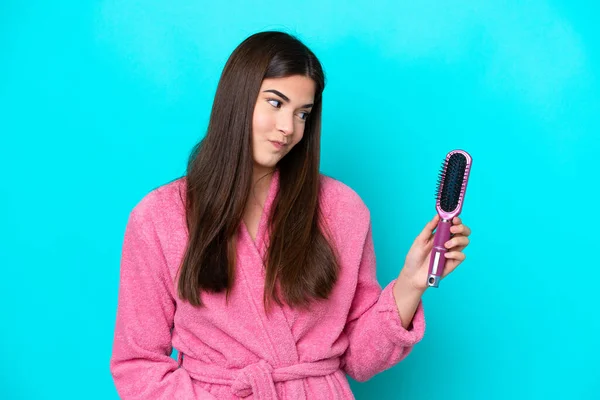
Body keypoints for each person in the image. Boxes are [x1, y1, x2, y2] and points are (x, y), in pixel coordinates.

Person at [109, 31, 471, 400]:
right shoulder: (159, 217)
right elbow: (139, 364)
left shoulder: (342, 209)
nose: (289, 128)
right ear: (237, 99)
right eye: (275, 103)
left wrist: (410, 284)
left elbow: (361, 361)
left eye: (303, 113)